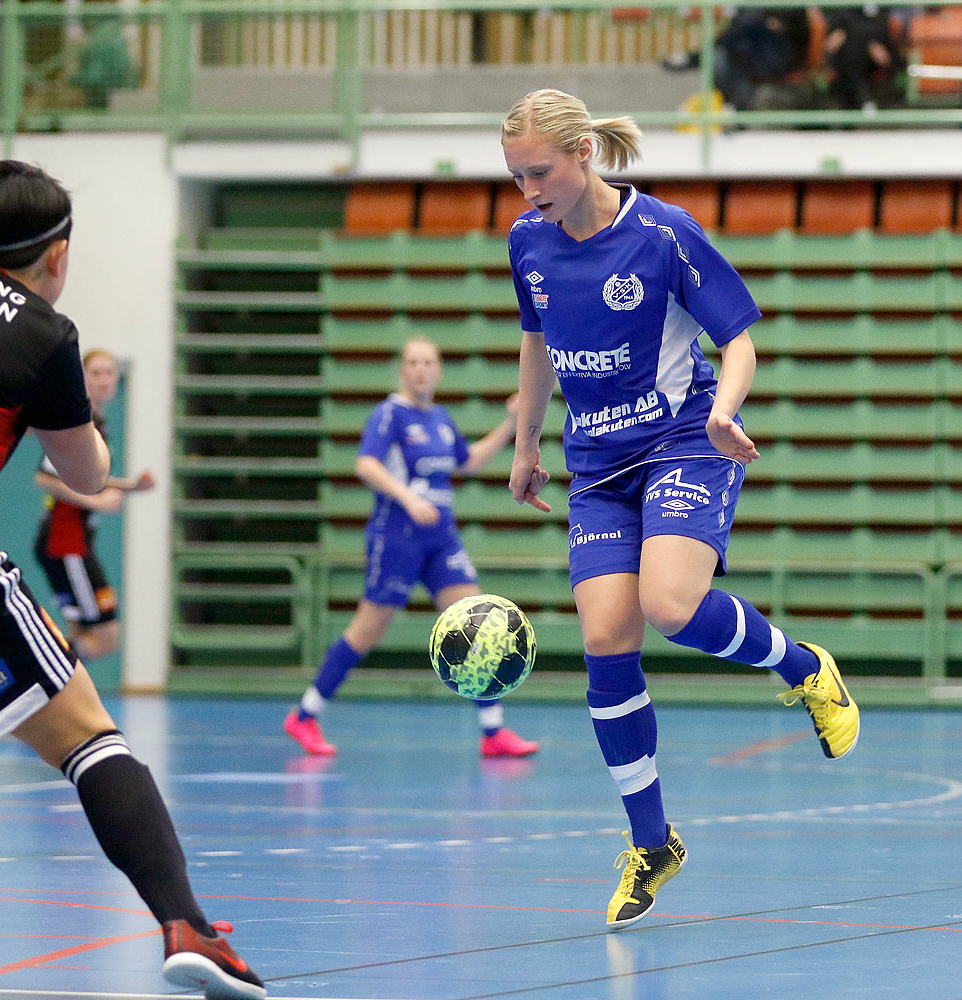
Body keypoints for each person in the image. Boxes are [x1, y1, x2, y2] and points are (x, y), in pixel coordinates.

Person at [0, 160, 264, 998]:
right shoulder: (44, 329)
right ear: (56, 254)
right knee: (87, 735)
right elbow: (86, 475)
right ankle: (187, 924)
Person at [500, 88, 861, 931]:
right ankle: (651, 842)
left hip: (683, 440)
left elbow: (740, 337)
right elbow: (537, 340)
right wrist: (526, 443)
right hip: (594, 463)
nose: (528, 192)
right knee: (604, 641)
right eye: (515, 177)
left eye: (539, 173)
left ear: (584, 151)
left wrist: (724, 410)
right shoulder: (527, 241)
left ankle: (803, 667)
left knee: (669, 606)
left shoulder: (663, 233)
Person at [283, 337, 538, 759]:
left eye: (429, 362)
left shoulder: (439, 419)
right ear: (403, 370)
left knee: (478, 622)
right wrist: (408, 498)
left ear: (438, 370)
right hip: (396, 537)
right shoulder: (390, 415)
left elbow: (468, 460)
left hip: (441, 540)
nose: (421, 369)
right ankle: (305, 715)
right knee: (366, 632)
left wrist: (511, 423)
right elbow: (366, 464)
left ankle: (493, 732)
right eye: (413, 363)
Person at [33, 347, 153, 663]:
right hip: (65, 543)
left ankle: (55, 700)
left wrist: (129, 487)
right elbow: (44, 478)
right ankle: (31, 672)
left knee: (83, 633)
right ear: (82, 378)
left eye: (110, 372)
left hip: (74, 543)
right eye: (95, 372)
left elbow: (88, 477)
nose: (104, 379)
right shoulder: (79, 423)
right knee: (106, 638)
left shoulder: (98, 423)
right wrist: (97, 500)